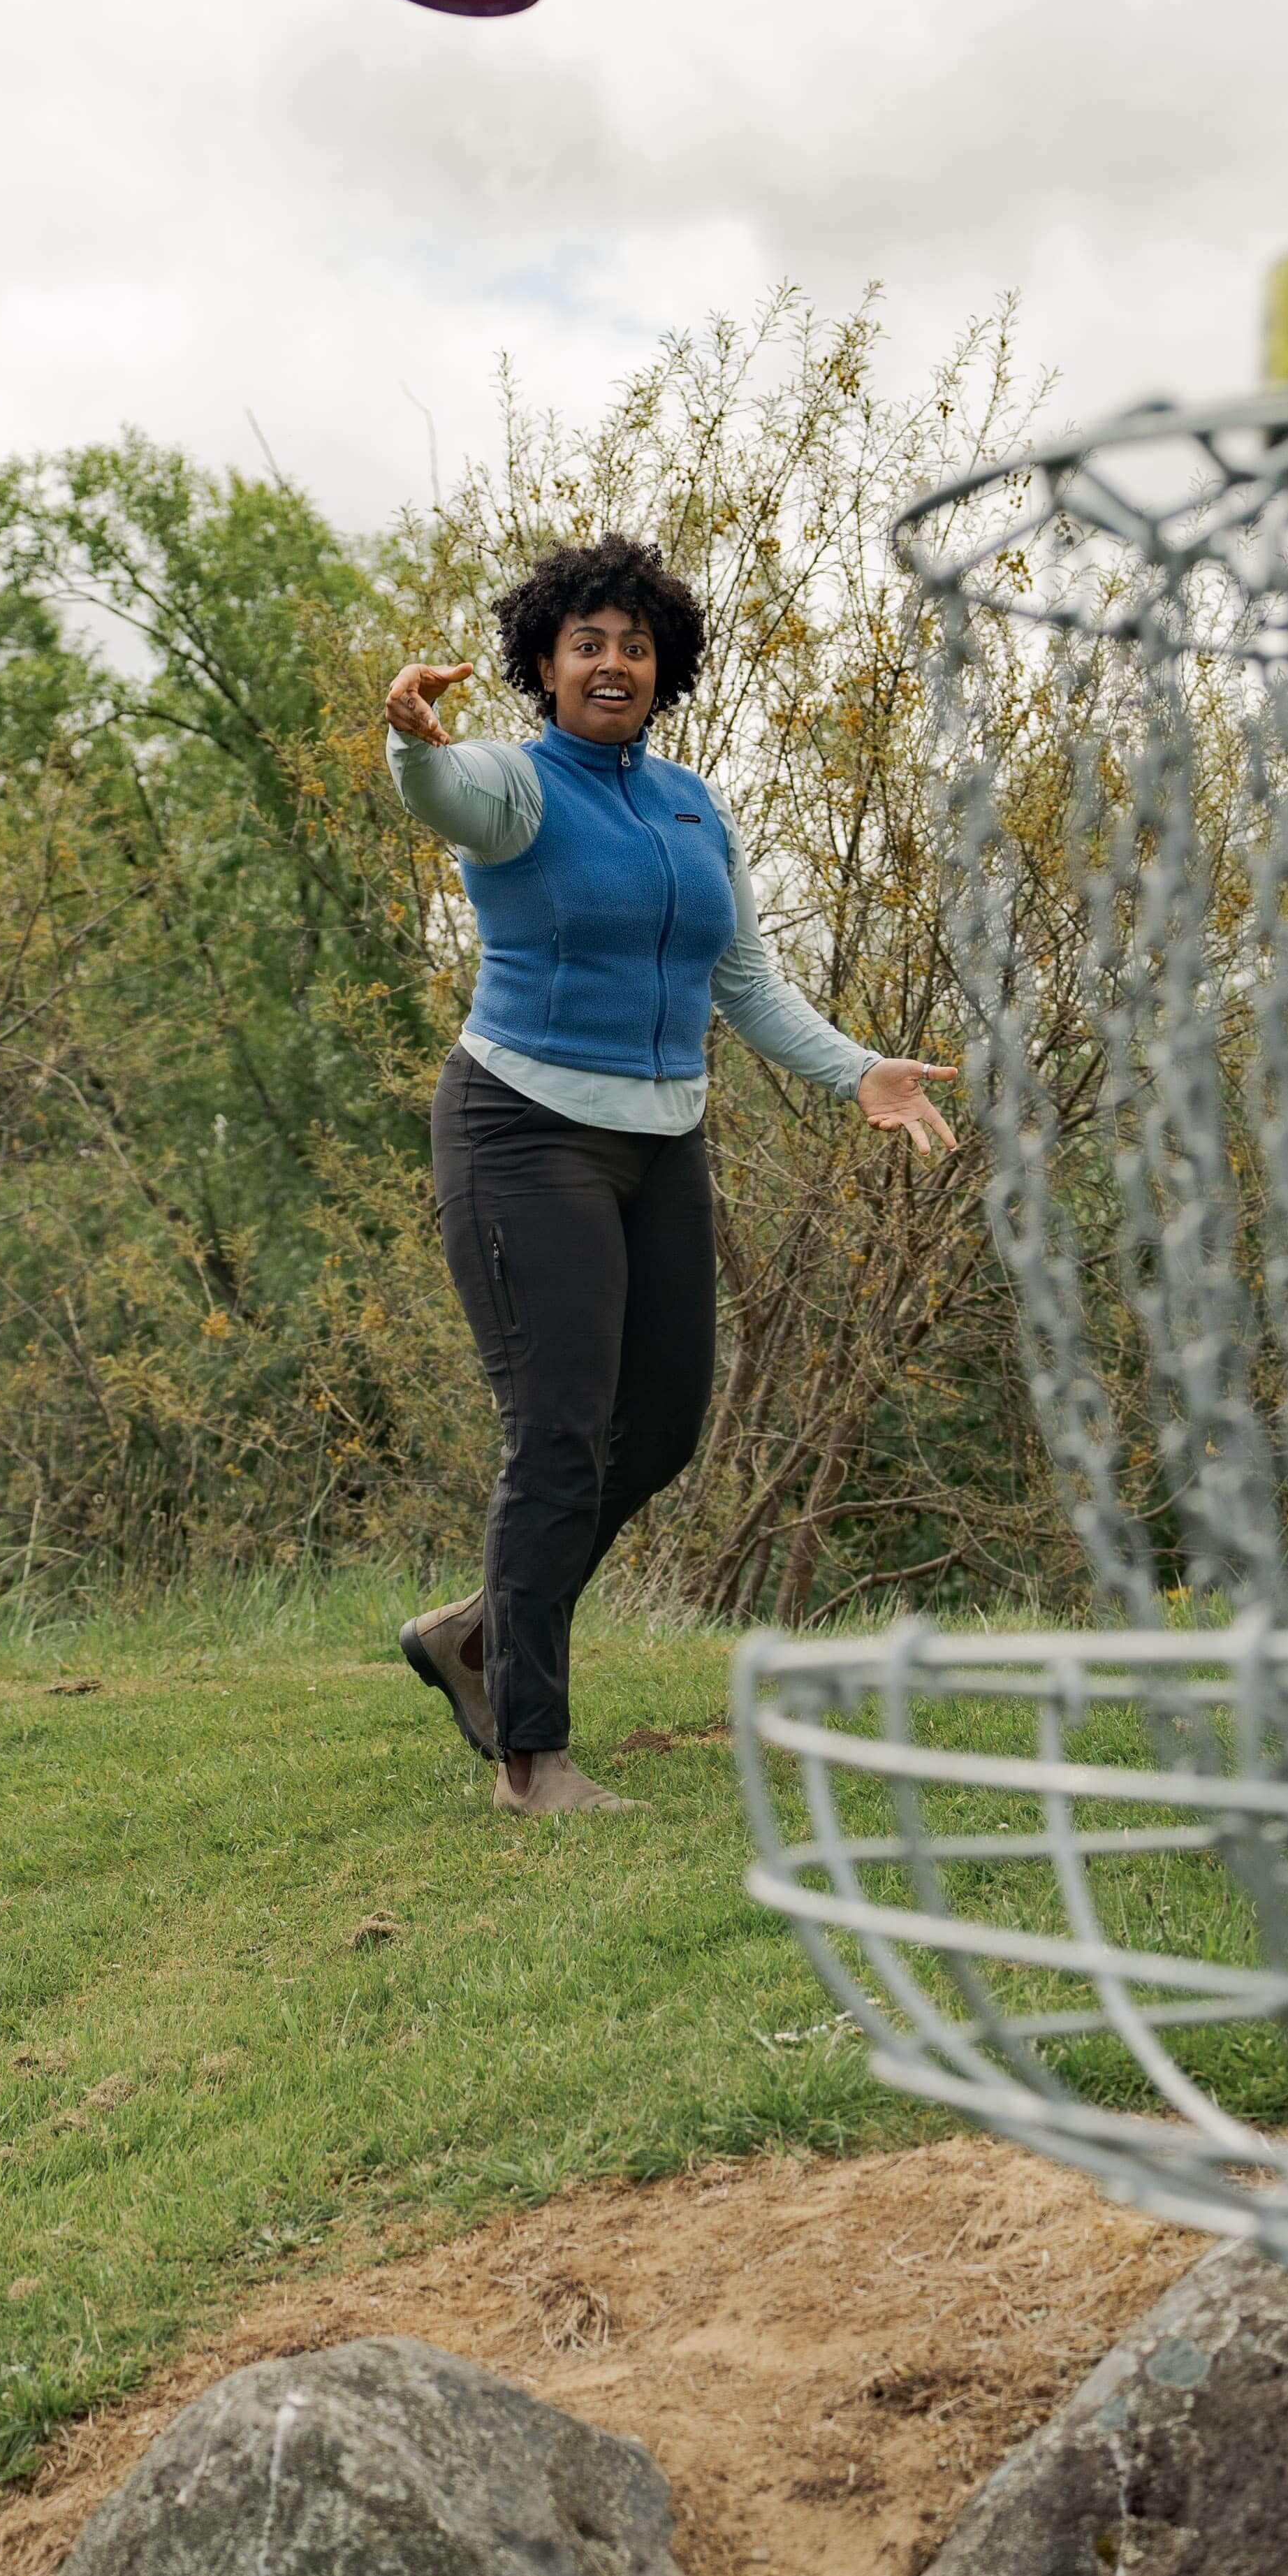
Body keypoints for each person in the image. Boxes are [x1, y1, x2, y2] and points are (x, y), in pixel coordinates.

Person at [381, 537, 958, 1817]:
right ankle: (533, 1760)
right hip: (522, 1131)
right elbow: (446, 796)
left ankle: (476, 1631)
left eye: (636, 646)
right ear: (544, 662)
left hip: (661, 1140)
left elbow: (743, 981)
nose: (614, 663)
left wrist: (859, 1071)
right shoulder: (517, 787)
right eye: (587, 642)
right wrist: (413, 740)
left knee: (666, 1422)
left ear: (663, 668)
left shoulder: (694, 806)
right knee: (559, 1432)